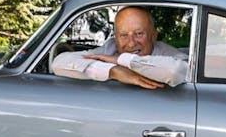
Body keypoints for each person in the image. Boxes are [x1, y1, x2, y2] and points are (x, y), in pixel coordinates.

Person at [51, 6, 189, 89]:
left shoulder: (168, 53)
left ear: (153, 35)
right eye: (123, 35)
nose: (131, 43)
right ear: (115, 38)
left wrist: (122, 60)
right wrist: (113, 71)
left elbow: (175, 71)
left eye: (139, 34)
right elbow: (58, 63)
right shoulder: (110, 48)